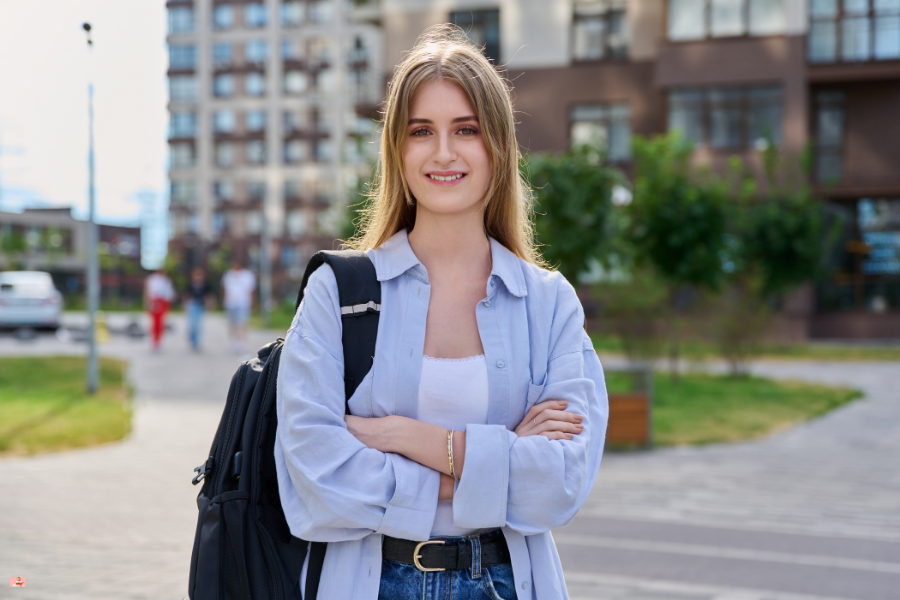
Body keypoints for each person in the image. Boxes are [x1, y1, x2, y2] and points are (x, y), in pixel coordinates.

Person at [274, 25, 608, 600]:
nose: (444, 152)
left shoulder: (549, 302)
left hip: (505, 583)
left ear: (498, 147)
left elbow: (558, 485)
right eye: (421, 130)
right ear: (397, 151)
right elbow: (318, 480)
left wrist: (405, 437)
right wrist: (501, 457)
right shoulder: (338, 292)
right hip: (371, 583)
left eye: (466, 130)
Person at [221, 259, 256, 353]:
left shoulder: (247, 275)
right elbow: (224, 289)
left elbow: (251, 290)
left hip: (243, 303)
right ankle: (233, 342)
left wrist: (252, 303)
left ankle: (242, 343)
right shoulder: (228, 275)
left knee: (242, 323)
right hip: (230, 303)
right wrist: (224, 300)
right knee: (231, 324)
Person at [144, 268, 174, 352]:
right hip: (155, 301)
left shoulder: (166, 280)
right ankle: (155, 340)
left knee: (161, 322)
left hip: (163, 302)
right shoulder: (152, 279)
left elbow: (169, 293)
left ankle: (158, 340)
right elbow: (148, 292)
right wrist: (147, 303)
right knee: (155, 322)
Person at [184, 267, 210, 351]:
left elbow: (208, 296)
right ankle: (192, 338)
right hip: (192, 305)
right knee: (192, 324)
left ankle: (197, 342)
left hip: (200, 306)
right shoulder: (191, 285)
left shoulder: (204, 286)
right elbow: (186, 295)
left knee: (198, 325)